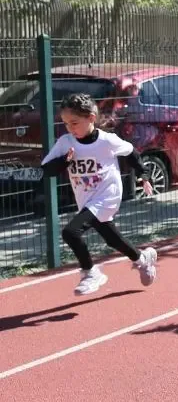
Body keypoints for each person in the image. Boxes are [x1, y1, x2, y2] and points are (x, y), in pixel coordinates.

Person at [41, 93, 158, 296]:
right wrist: (65, 162)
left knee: (71, 232)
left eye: (75, 123)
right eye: (66, 123)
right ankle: (142, 259)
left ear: (91, 118)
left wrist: (143, 175)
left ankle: (90, 272)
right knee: (112, 239)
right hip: (86, 199)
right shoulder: (65, 142)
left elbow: (131, 152)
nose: (70, 128)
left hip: (108, 195)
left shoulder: (106, 141)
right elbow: (47, 169)